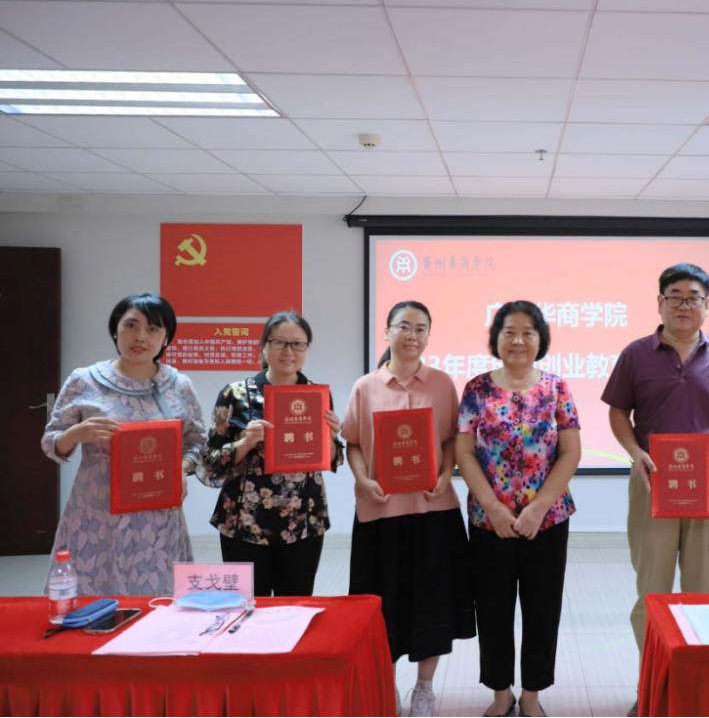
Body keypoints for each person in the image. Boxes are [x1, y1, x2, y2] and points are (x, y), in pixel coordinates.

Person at [601, 263, 709, 718]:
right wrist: (635, 453)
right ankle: (652, 684)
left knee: (703, 590)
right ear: (660, 302)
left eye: (693, 297)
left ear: (707, 306)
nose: (684, 305)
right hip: (652, 483)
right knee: (652, 591)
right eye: (675, 296)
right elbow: (617, 413)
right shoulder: (636, 354)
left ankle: (696, 686)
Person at [340, 301, 475, 718]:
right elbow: (353, 444)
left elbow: (451, 440)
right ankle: (389, 686)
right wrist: (363, 480)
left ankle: (424, 690)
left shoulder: (442, 383)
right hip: (380, 513)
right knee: (383, 607)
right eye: (404, 326)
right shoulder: (366, 386)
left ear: (428, 336)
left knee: (432, 604)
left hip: (432, 509)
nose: (412, 335)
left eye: (420, 328)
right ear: (387, 332)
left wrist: (446, 474)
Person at [457, 300, 581, 718]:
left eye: (528, 332)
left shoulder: (556, 388)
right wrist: (492, 507)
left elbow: (570, 452)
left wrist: (539, 507)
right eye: (509, 331)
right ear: (496, 338)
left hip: (547, 520)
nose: (518, 340)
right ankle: (500, 692)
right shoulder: (477, 389)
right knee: (492, 608)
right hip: (489, 521)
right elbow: (464, 453)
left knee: (542, 609)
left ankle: (531, 694)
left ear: (540, 339)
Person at [41, 292, 205, 596]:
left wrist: (181, 470)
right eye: (131, 325)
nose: (140, 336)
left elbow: (196, 443)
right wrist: (75, 434)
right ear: (115, 329)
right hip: (96, 508)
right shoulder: (84, 380)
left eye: (153, 329)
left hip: (157, 509)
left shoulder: (179, 386)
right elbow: (52, 443)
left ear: (166, 338)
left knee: (157, 597)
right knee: (93, 597)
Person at [202, 311, 343, 597]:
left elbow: (331, 459)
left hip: (303, 521)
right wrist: (245, 443)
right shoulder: (235, 394)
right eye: (279, 342)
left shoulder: (317, 395)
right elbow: (210, 463)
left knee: (295, 606)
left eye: (298, 344)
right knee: (247, 608)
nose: (289, 351)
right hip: (244, 523)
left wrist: (329, 437)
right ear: (264, 346)